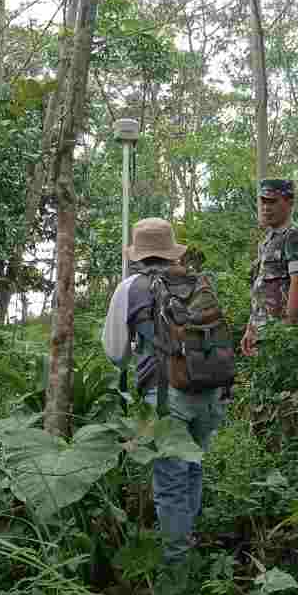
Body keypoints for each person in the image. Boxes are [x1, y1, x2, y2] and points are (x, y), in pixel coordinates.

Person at [102, 218, 226, 565]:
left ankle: (178, 565)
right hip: (209, 389)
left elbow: (116, 354)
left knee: (171, 481)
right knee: (193, 468)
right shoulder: (199, 281)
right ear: (171, 251)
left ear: (137, 254)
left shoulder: (130, 288)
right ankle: (189, 544)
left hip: (166, 396)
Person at [242, 178, 298, 357]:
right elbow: (260, 290)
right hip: (262, 334)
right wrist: (250, 328)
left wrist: (287, 331)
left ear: (289, 203)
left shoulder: (295, 236)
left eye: (272, 201)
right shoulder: (267, 241)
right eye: (263, 201)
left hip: (281, 336)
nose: (266, 207)